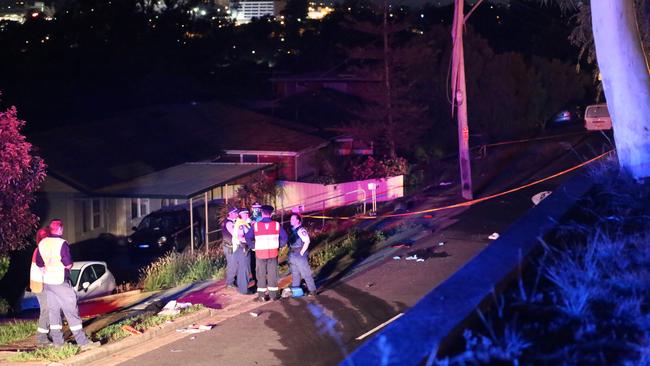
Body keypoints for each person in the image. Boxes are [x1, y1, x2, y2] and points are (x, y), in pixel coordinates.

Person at [35, 219, 99, 350]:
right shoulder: (62, 243)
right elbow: (68, 263)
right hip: (60, 281)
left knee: (54, 312)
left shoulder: (42, 243)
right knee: (71, 310)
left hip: (47, 283)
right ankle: (83, 343)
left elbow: (39, 263)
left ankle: (58, 343)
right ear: (60, 229)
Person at [246, 205, 287, 302]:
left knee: (261, 274)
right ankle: (273, 296)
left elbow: (248, 237)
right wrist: (278, 245)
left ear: (262, 213)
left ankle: (262, 296)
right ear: (271, 213)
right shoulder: (277, 225)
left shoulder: (255, 225)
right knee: (273, 274)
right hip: (273, 253)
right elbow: (285, 238)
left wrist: (253, 246)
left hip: (260, 253)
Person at [287, 214, 317, 297]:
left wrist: (302, 252)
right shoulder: (293, 230)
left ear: (298, 221)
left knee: (305, 273)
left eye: (293, 219)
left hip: (299, 254)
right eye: (291, 219)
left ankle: (312, 290)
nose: (291, 220)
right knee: (295, 273)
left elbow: (307, 241)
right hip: (293, 254)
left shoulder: (301, 230)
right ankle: (296, 290)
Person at [31, 228, 50, 345]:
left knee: (50, 309)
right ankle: (41, 338)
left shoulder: (39, 249)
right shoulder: (41, 250)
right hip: (41, 284)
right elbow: (43, 267)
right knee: (46, 309)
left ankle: (49, 334)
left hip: (40, 283)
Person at [231, 209, 253, 295]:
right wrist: (250, 243)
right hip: (243, 248)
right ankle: (244, 290)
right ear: (242, 215)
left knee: (241, 270)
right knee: (245, 270)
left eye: (247, 214)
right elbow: (241, 237)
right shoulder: (241, 224)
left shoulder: (241, 223)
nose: (247, 216)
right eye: (246, 214)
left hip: (240, 249)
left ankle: (242, 288)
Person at [222, 207, 239, 289]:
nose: (237, 215)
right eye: (235, 213)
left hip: (230, 246)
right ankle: (230, 283)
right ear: (231, 214)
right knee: (232, 264)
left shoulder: (230, 222)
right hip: (229, 247)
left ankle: (232, 281)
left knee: (234, 264)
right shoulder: (229, 223)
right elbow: (235, 233)